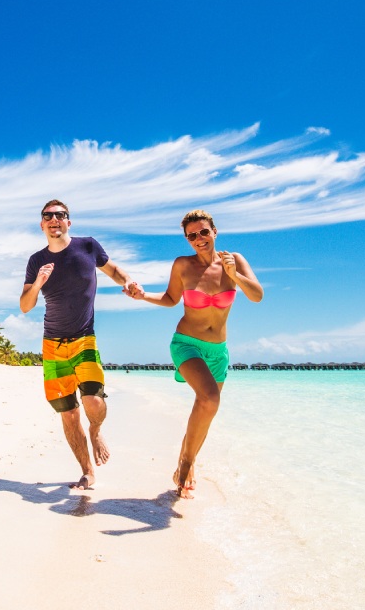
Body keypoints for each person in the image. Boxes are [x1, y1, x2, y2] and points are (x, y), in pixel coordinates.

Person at [127, 209, 262, 498]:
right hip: (186, 343)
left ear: (214, 231)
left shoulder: (234, 260)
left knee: (207, 410)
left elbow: (257, 295)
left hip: (218, 351)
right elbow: (170, 299)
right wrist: (142, 296)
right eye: (192, 236)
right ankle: (186, 465)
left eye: (203, 232)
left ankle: (186, 463)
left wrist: (233, 274)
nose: (198, 239)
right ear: (187, 240)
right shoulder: (183, 265)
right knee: (209, 398)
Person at [21, 199, 138, 490]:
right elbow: (25, 306)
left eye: (60, 215)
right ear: (42, 224)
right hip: (52, 345)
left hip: (85, 337)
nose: (54, 219)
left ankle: (96, 430)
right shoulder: (36, 261)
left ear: (68, 222)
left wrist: (129, 282)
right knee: (69, 413)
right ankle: (87, 471)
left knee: (93, 402)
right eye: (48, 216)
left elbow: (113, 270)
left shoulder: (87, 247)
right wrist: (38, 282)